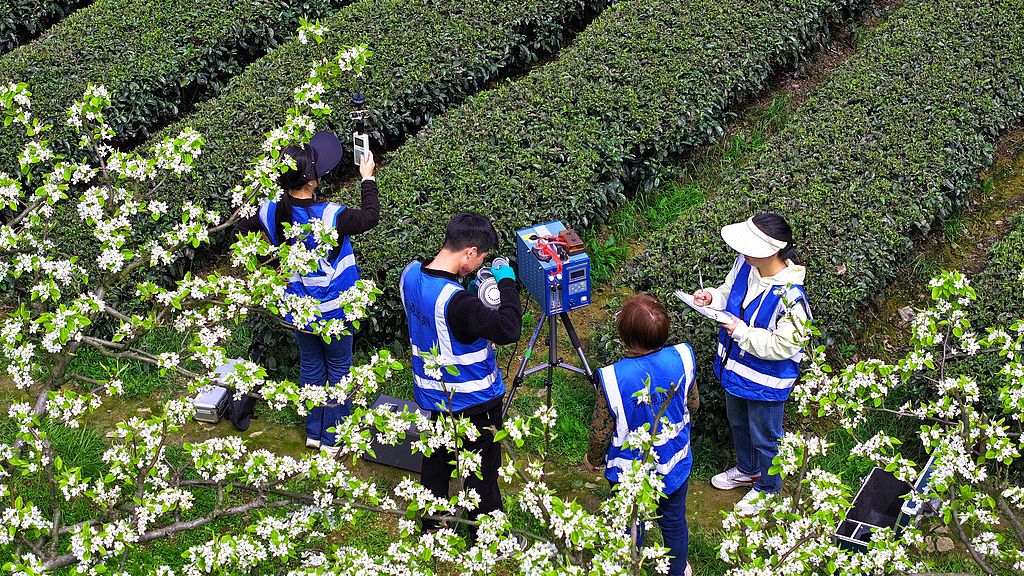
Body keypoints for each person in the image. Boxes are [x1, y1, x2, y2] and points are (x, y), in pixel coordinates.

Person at [234, 131, 380, 455]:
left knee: (311, 365)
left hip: (298, 305)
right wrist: (367, 179)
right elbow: (371, 217)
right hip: (337, 308)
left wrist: (266, 269)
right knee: (340, 368)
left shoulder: (271, 211)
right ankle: (334, 439)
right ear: (311, 181)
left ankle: (314, 433)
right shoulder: (329, 215)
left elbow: (240, 231)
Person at [399, 212, 522, 534]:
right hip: (475, 400)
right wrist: (506, 281)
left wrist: (463, 280)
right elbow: (509, 329)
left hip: (434, 396)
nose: (480, 261)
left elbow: (435, 277)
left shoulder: (410, 274)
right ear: (469, 252)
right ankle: (489, 535)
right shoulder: (459, 303)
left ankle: (433, 528)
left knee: (437, 460)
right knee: (481, 472)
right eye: (480, 256)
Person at [692, 213, 811, 516]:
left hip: (767, 381)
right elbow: (730, 290)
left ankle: (768, 489)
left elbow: (786, 345)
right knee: (740, 423)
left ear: (772, 250)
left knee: (767, 438)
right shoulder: (746, 264)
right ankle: (748, 470)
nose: (742, 250)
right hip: (736, 370)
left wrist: (743, 333)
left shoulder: (792, 298)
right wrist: (712, 298)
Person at [584, 294, 698, 576]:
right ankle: (677, 569)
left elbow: (601, 430)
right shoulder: (682, 358)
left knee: (630, 525)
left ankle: (630, 568)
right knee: (673, 521)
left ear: (625, 335)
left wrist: (593, 459)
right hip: (674, 462)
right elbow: (692, 404)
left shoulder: (614, 378)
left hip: (629, 473)